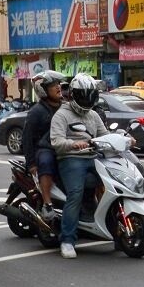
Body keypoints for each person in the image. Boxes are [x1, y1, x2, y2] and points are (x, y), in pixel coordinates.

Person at [47, 72, 105, 259]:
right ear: (73, 94)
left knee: (113, 186)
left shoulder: (93, 115)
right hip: (71, 158)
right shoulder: (61, 115)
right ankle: (67, 240)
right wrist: (73, 144)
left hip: (94, 157)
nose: (87, 100)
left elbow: (104, 135)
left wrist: (123, 138)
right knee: (76, 194)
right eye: (83, 95)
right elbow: (56, 142)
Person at [22, 71, 67, 218]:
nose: (58, 87)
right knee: (46, 161)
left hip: (65, 146)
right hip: (45, 148)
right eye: (54, 85)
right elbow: (27, 138)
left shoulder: (66, 107)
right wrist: (31, 164)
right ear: (43, 90)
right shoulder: (36, 111)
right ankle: (48, 204)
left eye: (58, 84)